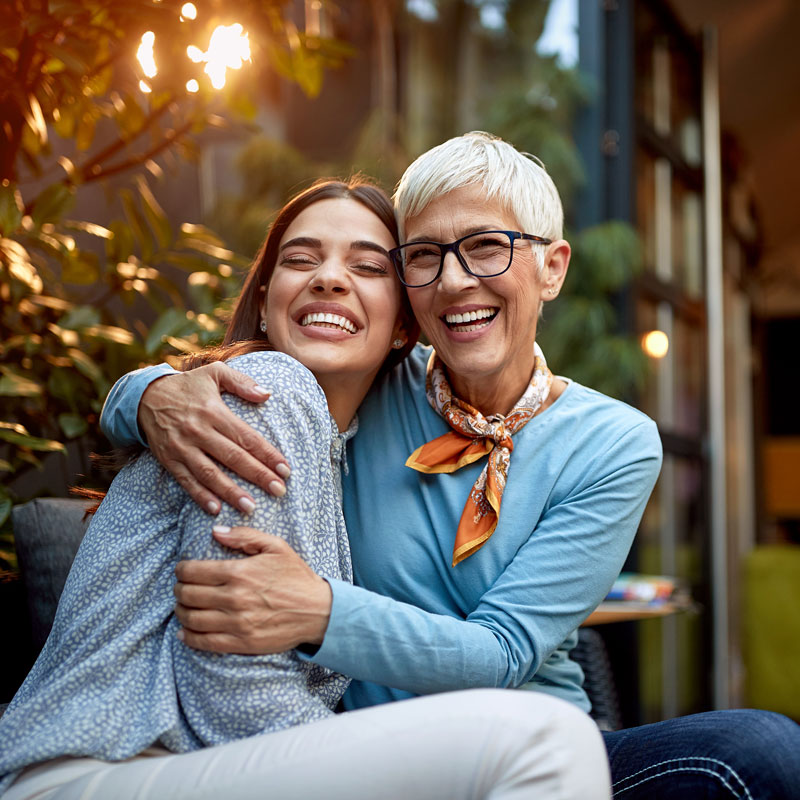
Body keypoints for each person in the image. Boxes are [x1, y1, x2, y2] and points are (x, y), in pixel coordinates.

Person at [102, 133, 800, 799]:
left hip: (541, 744)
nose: (456, 281)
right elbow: (250, 377)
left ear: (552, 267)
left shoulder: (614, 442)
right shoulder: (370, 379)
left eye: (487, 248)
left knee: (761, 753)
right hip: (371, 751)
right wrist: (147, 395)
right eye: (426, 255)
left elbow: (502, 652)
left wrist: (318, 611)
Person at [0, 178, 612, 800]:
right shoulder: (270, 392)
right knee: (547, 741)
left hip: (183, 764)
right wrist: (143, 392)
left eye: (369, 266)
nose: (328, 278)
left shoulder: (344, 438)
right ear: (265, 301)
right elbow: (234, 694)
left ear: (405, 325)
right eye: (300, 259)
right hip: (101, 768)